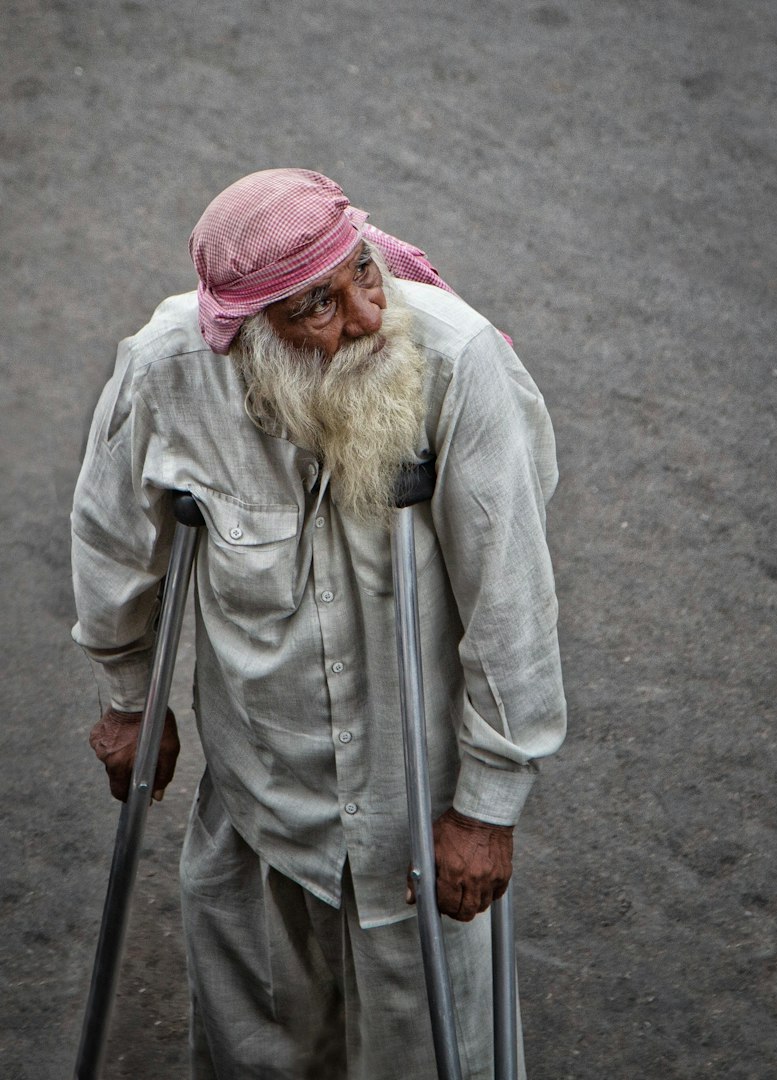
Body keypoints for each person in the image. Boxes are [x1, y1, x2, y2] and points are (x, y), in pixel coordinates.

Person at [71, 168, 566, 1079]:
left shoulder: (454, 364)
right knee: (262, 1056)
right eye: (317, 309)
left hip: (416, 818)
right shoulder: (170, 370)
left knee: (429, 1058)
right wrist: (129, 699)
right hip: (260, 805)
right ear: (250, 333)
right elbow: (113, 539)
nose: (367, 317)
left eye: (364, 275)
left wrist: (489, 809)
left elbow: (512, 601)